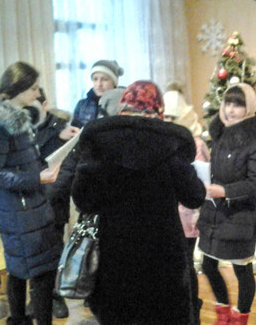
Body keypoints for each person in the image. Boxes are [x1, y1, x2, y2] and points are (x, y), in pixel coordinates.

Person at [70, 80, 206, 324]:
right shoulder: (170, 147)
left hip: (115, 254)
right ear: (158, 109)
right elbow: (195, 196)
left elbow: (83, 201)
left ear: (123, 107)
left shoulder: (101, 145)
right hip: (164, 255)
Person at [0, 62, 62, 325]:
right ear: (18, 89)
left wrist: (44, 167)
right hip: (19, 211)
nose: (38, 93)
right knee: (40, 273)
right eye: (33, 88)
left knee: (21, 270)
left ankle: (19, 320)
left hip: (29, 207)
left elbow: (22, 160)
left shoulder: (17, 119)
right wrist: (36, 178)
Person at [197, 83, 256, 325]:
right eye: (228, 103)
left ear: (249, 108)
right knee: (208, 265)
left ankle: (241, 317)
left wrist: (225, 191)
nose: (230, 110)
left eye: (238, 105)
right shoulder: (220, 135)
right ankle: (223, 313)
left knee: (241, 269)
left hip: (239, 215)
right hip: (214, 212)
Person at [25, 89, 79, 319]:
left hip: (52, 205)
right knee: (32, 254)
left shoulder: (63, 129)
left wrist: (42, 196)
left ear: (44, 105)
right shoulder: (24, 130)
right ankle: (36, 297)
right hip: (28, 204)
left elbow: (66, 170)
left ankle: (56, 296)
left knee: (54, 252)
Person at [163, 82, 210, 324]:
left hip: (188, 213)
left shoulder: (195, 143)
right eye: (166, 117)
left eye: (173, 117)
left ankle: (192, 310)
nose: (168, 121)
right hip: (171, 212)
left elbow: (198, 179)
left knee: (186, 264)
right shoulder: (164, 140)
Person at [71, 60, 123, 128]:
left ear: (114, 83)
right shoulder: (82, 105)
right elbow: (73, 129)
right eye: (95, 79)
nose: (99, 84)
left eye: (104, 79)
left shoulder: (123, 105)